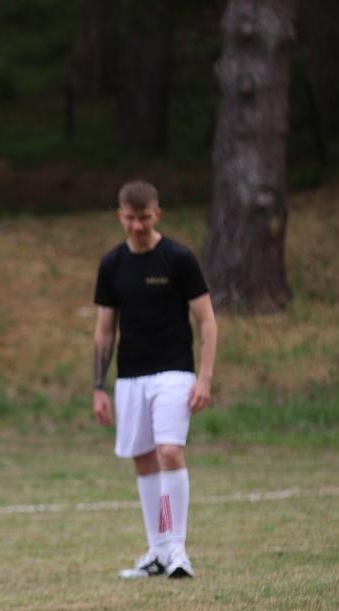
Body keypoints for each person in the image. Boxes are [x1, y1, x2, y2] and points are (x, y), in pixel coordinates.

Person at [92, 179, 218, 579]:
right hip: (131, 377)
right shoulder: (112, 265)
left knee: (169, 452)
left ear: (156, 215)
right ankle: (158, 550)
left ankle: (178, 549)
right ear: (120, 217)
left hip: (174, 373)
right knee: (144, 459)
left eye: (144, 218)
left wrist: (205, 378)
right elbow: (104, 331)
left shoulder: (179, 259)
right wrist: (98, 387)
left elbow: (208, 322)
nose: (137, 226)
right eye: (130, 219)